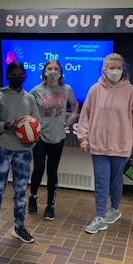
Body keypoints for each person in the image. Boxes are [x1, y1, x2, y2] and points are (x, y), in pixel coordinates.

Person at [77, 53, 133, 234]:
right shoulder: (94, 90)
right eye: (112, 68)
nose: (116, 71)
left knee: (115, 181)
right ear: (104, 69)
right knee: (101, 181)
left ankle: (115, 209)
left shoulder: (129, 90)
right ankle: (100, 217)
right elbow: (85, 116)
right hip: (98, 144)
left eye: (119, 68)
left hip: (121, 144)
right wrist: (83, 138)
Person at [0, 61, 40, 245]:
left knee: (20, 191)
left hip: (23, 152)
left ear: (25, 76)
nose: (18, 77)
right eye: (14, 75)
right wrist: (6, 126)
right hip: (2, 149)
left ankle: (19, 226)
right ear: (8, 76)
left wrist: (33, 139)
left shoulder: (29, 99)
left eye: (21, 75)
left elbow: (36, 125)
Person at [28, 59, 79, 220]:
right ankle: (33, 196)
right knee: (38, 169)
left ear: (61, 72)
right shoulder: (36, 90)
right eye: (49, 68)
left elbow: (75, 104)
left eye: (56, 68)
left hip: (58, 136)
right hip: (40, 136)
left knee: (52, 171)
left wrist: (72, 116)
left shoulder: (66, 89)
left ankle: (50, 205)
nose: (53, 71)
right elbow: (26, 106)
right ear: (44, 71)